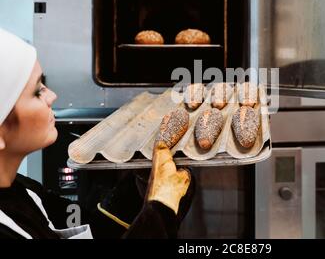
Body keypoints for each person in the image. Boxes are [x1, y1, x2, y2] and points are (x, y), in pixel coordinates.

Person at [0, 28, 194, 239]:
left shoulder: (21, 191)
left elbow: (97, 231)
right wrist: (160, 210)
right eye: (38, 91)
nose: (52, 96)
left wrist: (141, 186)